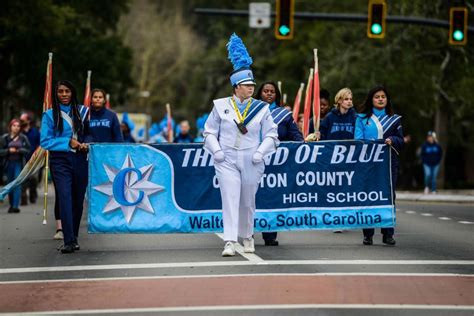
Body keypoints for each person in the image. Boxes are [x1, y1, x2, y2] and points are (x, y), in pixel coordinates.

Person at [203, 33, 279, 257]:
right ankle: (229, 240)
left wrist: (260, 152)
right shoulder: (220, 105)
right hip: (225, 157)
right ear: (236, 87)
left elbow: (272, 135)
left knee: (247, 201)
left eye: (252, 85)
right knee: (229, 197)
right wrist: (215, 150)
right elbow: (208, 131)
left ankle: (247, 236)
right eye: (246, 85)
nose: (251, 89)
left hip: (251, 158)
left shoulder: (262, 109)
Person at [40, 80, 90, 253]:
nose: (64, 94)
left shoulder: (83, 112)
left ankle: (74, 237)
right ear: (56, 94)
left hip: (81, 160)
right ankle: (68, 240)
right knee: (65, 197)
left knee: (78, 200)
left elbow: (89, 134)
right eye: (60, 91)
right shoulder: (49, 115)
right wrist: (68, 142)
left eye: (67, 91)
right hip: (60, 161)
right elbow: (45, 141)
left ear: (72, 92)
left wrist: (86, 144)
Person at [255, 81, 303, 246]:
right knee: (251, 197)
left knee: (272, 198)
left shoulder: (284, 114)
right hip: (253, 162)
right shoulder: (250, 112)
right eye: (265, 91)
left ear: (277, 95)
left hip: (277, 166)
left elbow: (295, 136)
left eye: (272, 92)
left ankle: (270, 235)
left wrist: (304, 144)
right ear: (260, 93)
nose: (269, 94)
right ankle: (248, 232)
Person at [355, 85, 403, 246]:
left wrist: (393, 140)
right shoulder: (361, 118)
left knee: (388, 197)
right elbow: (358, 140)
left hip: (389, 163)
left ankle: (388, 233)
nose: (381, 99)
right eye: (377, 97)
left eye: (383, 96)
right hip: (367, 163)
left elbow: (400, 140)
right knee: (368, 196)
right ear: (371, 99)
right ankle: (368, 234)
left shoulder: (395, 119)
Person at [0, 119, 31, 213]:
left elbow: (28, 150)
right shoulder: (4, 138)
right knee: (9, 184)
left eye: (18, 126)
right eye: (14, 125)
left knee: (17, 184)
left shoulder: (23, 138)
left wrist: (19, 150)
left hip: (19, 163)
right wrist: (9, 151)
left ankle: (15, 206)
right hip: (8, 164)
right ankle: (11, 204)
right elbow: (0, 151)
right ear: (10, 127)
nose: (16, 127)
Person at [20, 112, 41, 205]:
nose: (21, 122)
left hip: (34, 158)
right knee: (22, 178)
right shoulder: (19, 132)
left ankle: (33, 194)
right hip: (22, 158)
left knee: (33, 178)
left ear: (28, 120)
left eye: (22, 120)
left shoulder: (35, 132)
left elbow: (40, 144)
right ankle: (23, 197)